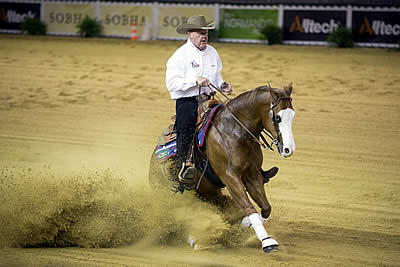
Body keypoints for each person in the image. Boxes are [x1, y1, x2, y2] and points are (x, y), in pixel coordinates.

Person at [166, 15, 277, 192]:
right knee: (186, 126)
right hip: (187, 101)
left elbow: (216, 78)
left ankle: (254, 168)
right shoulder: (180, 56)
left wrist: (222, 85)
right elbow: (172, 83)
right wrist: (195, 80)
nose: (204, 36)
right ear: (189, 34)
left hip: (210, 100)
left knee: (237, 121)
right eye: (200, 33)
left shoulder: (213, 53)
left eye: (206, 33)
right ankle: (183, 168)